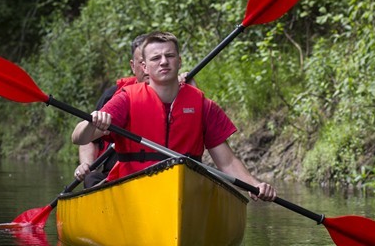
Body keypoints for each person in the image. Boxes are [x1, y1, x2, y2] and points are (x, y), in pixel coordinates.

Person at [71, 31, 276, 201]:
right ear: (144, 67)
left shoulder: (203, 105)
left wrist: (255, 184)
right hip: (133, 193)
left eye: (169, 56)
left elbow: (227, 162)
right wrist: (92, 123)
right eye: (155, 58)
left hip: (186, 194)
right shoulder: (126, 99)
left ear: (179, 61)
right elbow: (79, 137)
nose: (163, 62)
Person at [74, 34, 149, 188]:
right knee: (92, 179)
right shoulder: (115, 96)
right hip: (116, 174)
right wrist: (87, 164)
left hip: (160, 171)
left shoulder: (178, 93)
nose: (147, 68)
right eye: (142, 62)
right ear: (133, 66)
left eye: (152, 60)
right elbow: (87, 139)